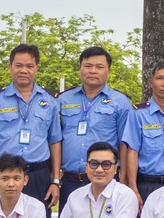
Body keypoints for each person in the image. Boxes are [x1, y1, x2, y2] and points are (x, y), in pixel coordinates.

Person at [0, 44, 61, 217]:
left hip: (38, 175)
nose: (24, 70)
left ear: (37, 68)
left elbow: (54, 141)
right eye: (18, 65)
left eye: (29, 66)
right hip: (4, 175)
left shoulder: (50, 100)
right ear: (10, 67)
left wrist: (55, 181)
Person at [56, 46, 134, 207]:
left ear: (108, 71)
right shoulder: (63, 99)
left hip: (105, 179)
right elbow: (55, 139)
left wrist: (123, 179)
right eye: (88, 66)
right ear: (80, 68)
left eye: (99, 67)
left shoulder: (121, 102)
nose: (93, 71)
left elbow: (124, 143)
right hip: (70, 179)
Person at [122, 62, 164, 204]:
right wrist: (133, 189)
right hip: (147, 184)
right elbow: (132, 152)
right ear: (151, 82)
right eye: (160, 78)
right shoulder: (138, 113)